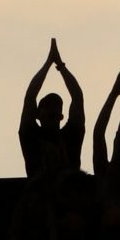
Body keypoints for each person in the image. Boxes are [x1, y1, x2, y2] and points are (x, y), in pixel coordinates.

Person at [18, 38, 86, 181]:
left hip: (70, 196)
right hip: (41, 196)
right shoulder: (31, 135)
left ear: (61, 116)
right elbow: (30, 97)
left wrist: (61, 66)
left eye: (56, 107)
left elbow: (77, 97)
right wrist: (49, 62)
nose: (52, 110)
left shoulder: (71, 135)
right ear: (38, 114)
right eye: (47, 106)